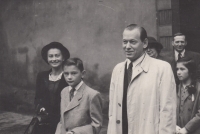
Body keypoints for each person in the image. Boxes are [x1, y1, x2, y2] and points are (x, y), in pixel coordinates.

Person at [107, 24, 176, 134]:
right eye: (125, 42)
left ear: (144, 43)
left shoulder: (162, 68)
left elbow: (167, 112)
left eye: (133, 42)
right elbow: (112, 111)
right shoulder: (118, 69)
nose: (127, 46)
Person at [55, 58, 103, 134]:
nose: (69, 77)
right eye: (66, 73)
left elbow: (96, 125)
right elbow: (62, 121)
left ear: (82, 74)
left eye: (73, 73)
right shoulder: (64, 91)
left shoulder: (92, 95)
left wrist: (75, 132)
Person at [34, 42, 70, 134]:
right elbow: (38, 98)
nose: (54, 59)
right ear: (47, 58)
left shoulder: (69, 76)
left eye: (57, 56)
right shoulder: (42, 76)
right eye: (51, 56)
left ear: (63, 57)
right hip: (45, 122)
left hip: (64, 122)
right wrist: (40, 107)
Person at [176, 57, 200, 134]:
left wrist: (187, 129)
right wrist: (174, 125)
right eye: (177, 69)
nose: (178, 72)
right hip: (176, 130)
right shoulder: (174, 87)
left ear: (190, 71)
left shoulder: (198, 88)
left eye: (182, 69)